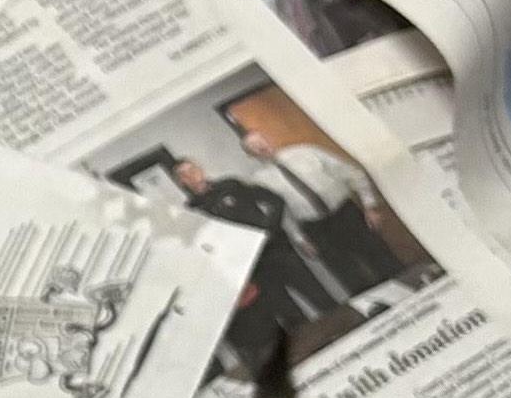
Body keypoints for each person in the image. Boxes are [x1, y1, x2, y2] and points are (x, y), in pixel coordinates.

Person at [171, 158, 338, 363]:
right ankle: (317, 351)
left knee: (315, 292)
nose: (191, 175)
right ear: (181, 182)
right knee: (286, 307)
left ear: (201, 169)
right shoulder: (192, 211)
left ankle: (344, 329)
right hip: (252, 265)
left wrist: (270, 228)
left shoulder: (230, 185)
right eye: (184, 175)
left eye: (192, 169)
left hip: (276, 250)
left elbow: (275, 200)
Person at [240, 129, 406, 293]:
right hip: (316, 228)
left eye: (261, 141)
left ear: (269, 139)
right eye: (254, 147)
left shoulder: (306, 152)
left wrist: (369, 205)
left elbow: (351, 173)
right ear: (250, 155)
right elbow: (282, 214)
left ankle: (411, 287)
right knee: (348, 273)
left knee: (378, 254)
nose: (261, 147)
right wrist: (300, 239)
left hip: (345, 213)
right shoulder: (260, 181)